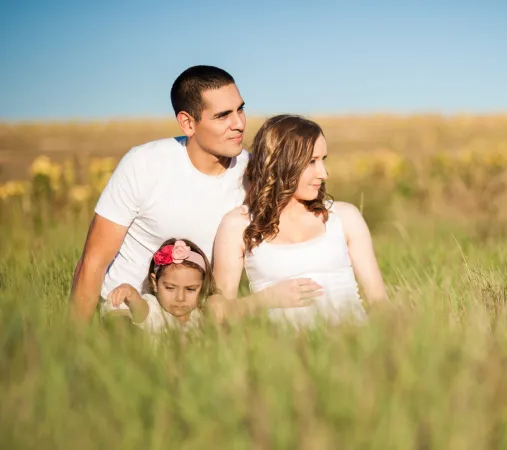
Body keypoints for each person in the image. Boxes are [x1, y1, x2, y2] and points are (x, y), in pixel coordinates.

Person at [69, 65, 322, 323]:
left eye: (240, 109)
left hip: (197, 320)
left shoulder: (254, 174)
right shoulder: (143, 164)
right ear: (188, 123)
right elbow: (93, 262)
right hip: (127, 313)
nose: (239, 123)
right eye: (223, 115)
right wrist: (76, 342)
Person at [209, 114, 389, 328]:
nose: (323, 173)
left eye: (323, 160)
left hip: (353, 346)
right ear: (280, 163)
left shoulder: (344, 217)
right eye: (311, 162)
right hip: (283, 356)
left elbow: (380, 304)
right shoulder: (238, 225)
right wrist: (265, 299)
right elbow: (215, 312)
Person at [106, 238, 214, 338]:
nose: (180, 298)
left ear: (203, 285)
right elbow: (141, 310)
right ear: (154, 283)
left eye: (190, 289)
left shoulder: (201, 313)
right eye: (170, 288)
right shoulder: (154, 309)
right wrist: (132, 295)